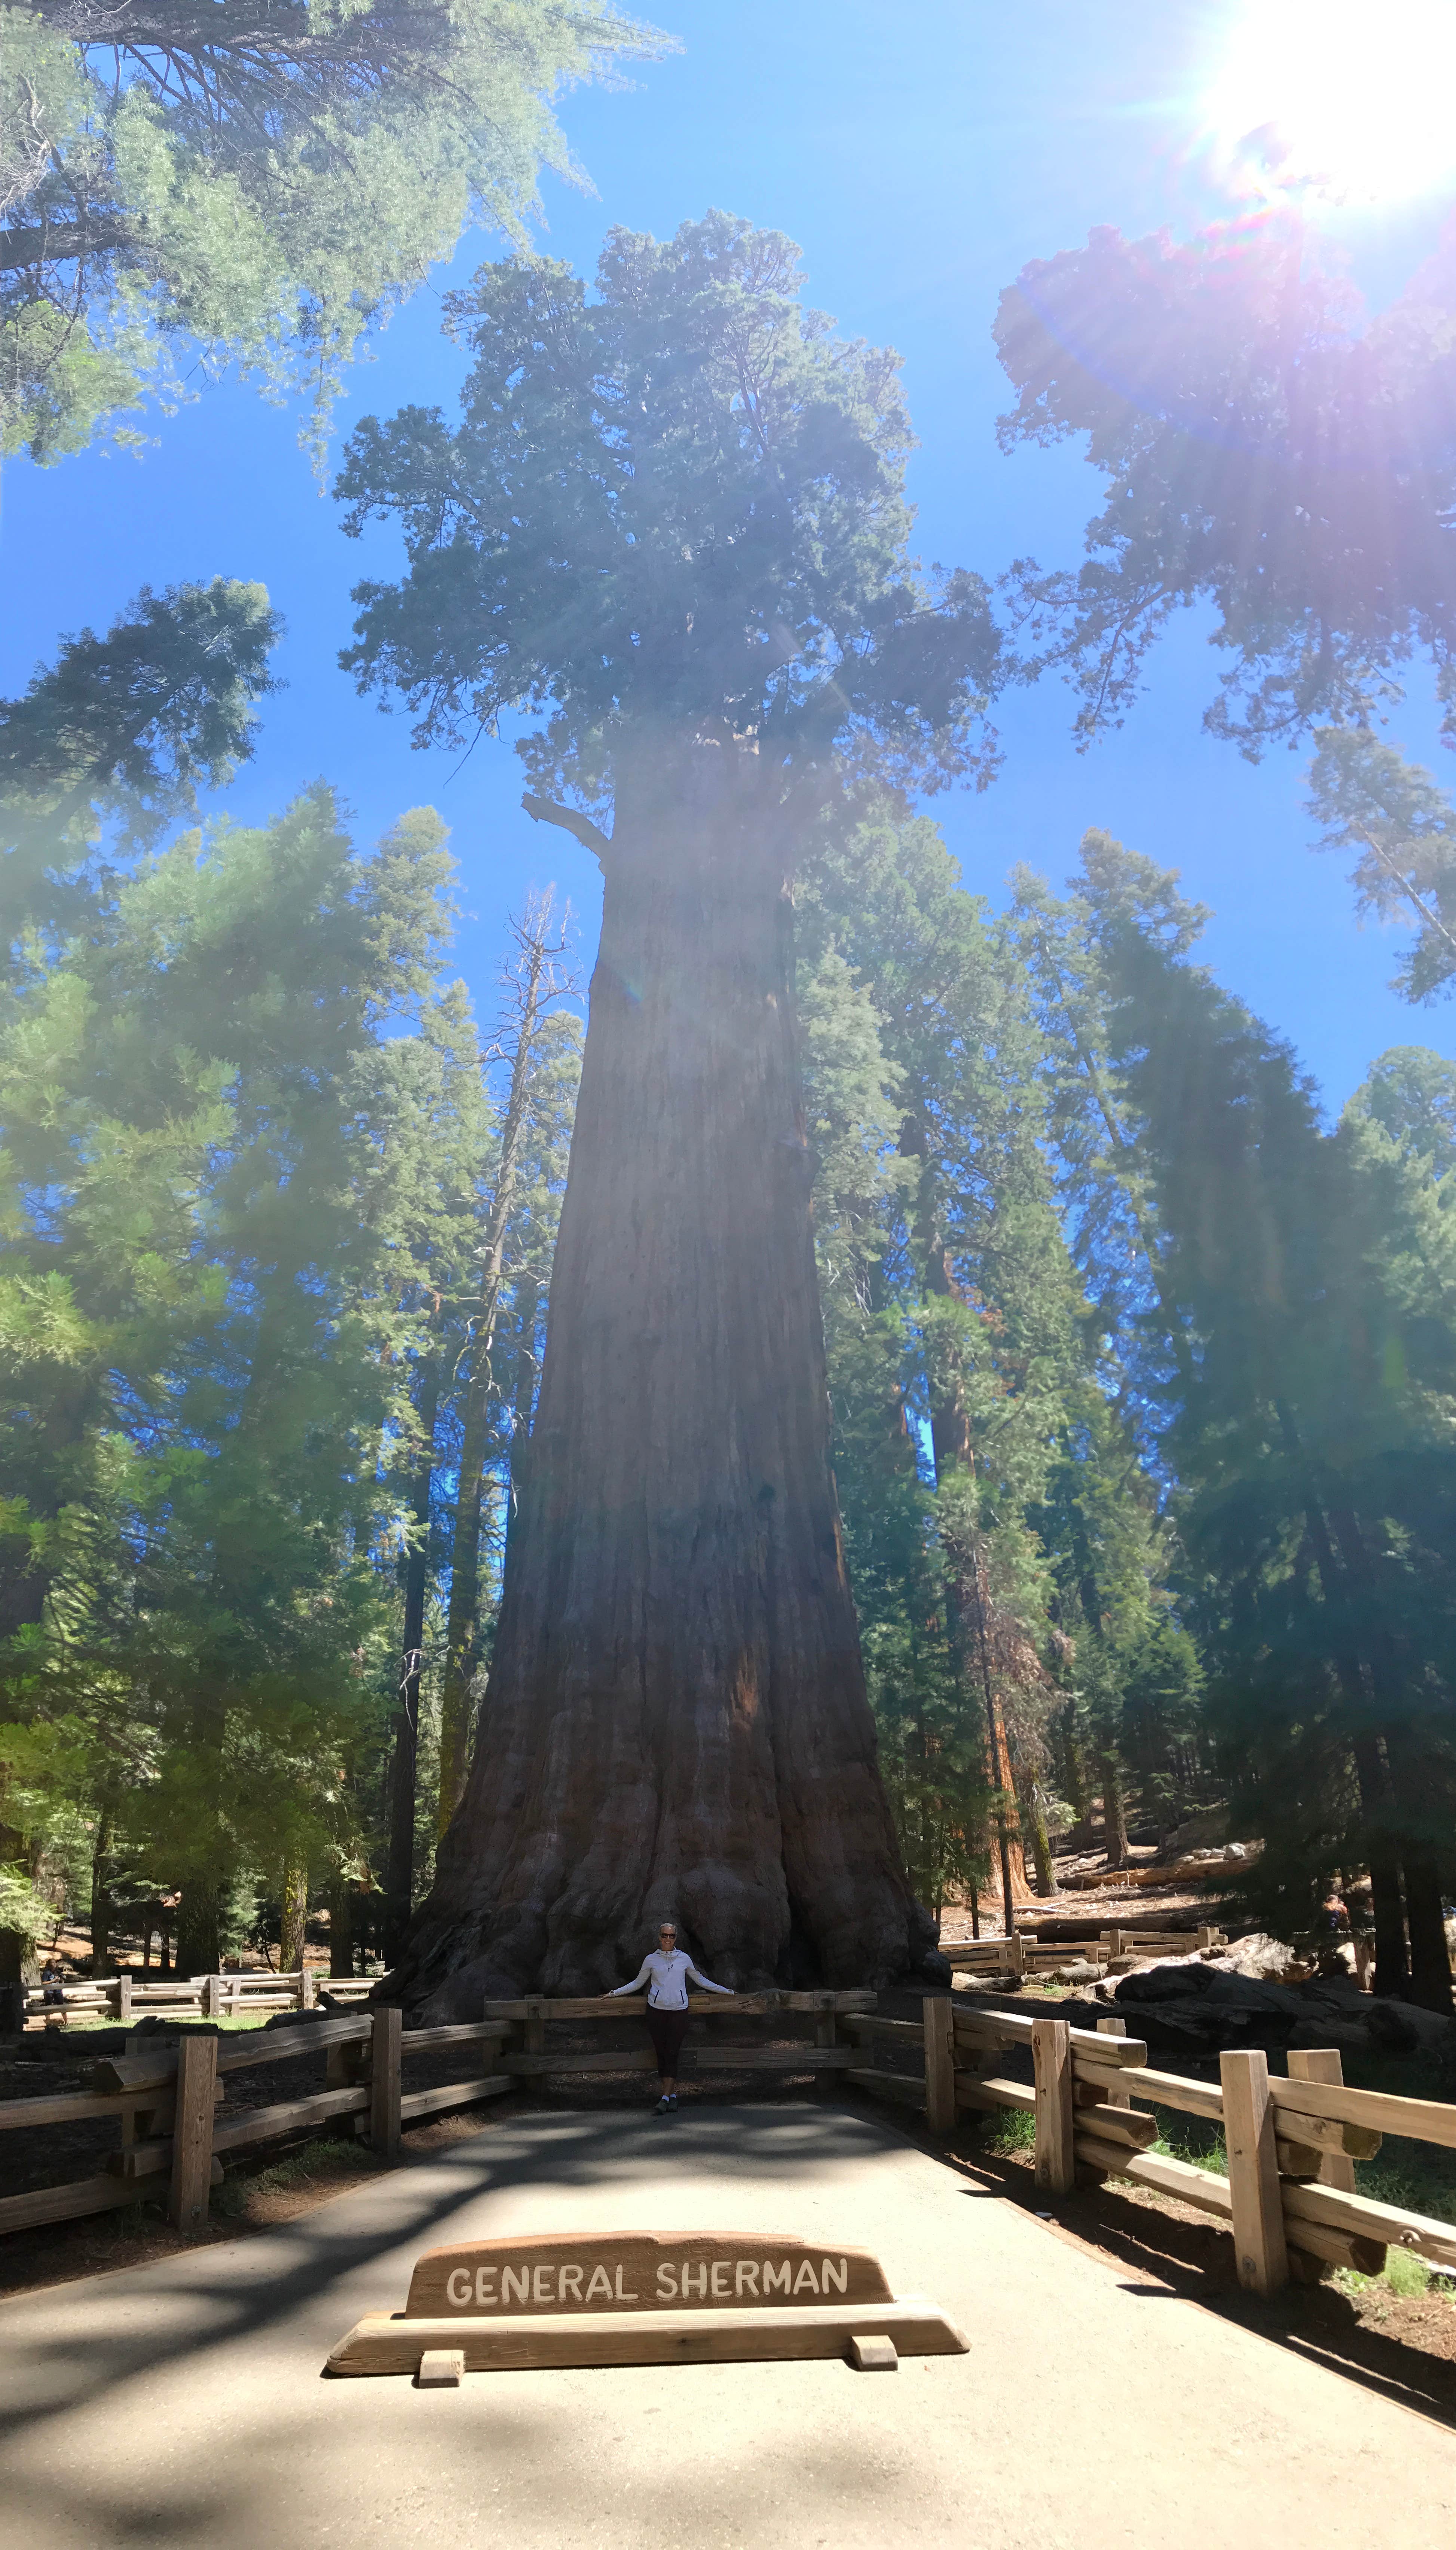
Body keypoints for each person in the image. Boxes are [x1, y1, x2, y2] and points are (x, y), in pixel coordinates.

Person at [611, 1921, 732, 2113]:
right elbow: (637, 1983)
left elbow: (699, 1979)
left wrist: (725, 1991)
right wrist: (613, 1993)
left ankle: (665, 2098)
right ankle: (672, 2095)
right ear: (659, 1937)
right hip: (656, 2012)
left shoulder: (684, 1959)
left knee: (673, 2053)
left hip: (679, 2012)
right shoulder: (651, 1959)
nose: (668, 1939)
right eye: (665, 1936)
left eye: (672, 1936)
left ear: (676, 1938)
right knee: (662, 2053)